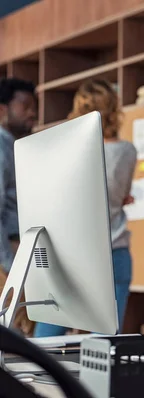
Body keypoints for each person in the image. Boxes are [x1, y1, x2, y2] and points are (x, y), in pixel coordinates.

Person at [34, 79, 137, 337]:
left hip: (73, 256)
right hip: (115, 253)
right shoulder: (127, 151)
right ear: (114, 109)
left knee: (44, 345)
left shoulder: (67, 150)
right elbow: (119, 195)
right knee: (103, 347)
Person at [0, 78, 38, 336]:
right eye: (25, 105)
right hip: (8, 261)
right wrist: (7, 269)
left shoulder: (19, 146)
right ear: (3, 110)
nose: (33, 112)